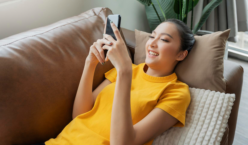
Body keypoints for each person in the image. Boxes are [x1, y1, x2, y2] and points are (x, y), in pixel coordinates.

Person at [41, 18, 195, 145]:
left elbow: (122, 143)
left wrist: (124, 73)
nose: (152, 43)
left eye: (164, 39)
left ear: (181, 55)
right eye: (152, 36)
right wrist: (90, 63)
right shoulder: (126, 70)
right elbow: (80, 115)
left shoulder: (176, 92)